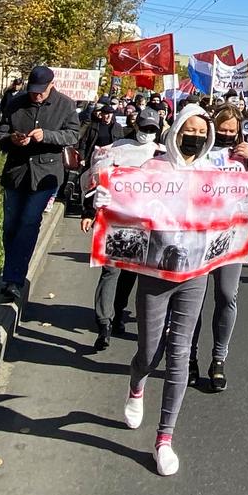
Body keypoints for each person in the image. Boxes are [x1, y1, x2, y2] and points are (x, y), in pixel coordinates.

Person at [122, 103, 221, 476]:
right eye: (188, 129)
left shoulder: (213, 173)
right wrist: (103, 200)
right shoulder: (153, 167)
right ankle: (136, 386)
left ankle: (165, 438)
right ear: (176, 130)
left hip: (195, 273)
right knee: (150, 351)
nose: (195, 136)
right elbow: (127, 204)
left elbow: (231, 210)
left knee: (180, 354)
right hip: (155, 271)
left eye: (201, 130)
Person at [0, 66, 83, 301]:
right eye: (33, 91)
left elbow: (73, 135)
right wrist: (11, 139)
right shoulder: (16, 102)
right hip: (17, 172)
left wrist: (48, 135)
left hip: (45, 175)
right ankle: (11, 267)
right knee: (10, 225)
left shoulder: (65, 105)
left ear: (51, 85)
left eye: (41, 91)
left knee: (28, 223)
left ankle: (13, 279)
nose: (37, 95)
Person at [194, 105, 248, 393]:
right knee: (193, 301)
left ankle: (218, 359)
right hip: (198, 236)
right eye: (222, 129)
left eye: (231, 130)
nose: (227, 134)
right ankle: (189, 357)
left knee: (226, 295)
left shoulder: (246, 154)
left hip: (232, 236)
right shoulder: (199, 151)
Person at [80, 107, 165, 348]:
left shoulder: (161, 156)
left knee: (129, 272)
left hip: (143, 224)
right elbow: (95, 180)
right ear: (136, 125)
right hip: (114, 221)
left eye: (152, 129)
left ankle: (118, 311)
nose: (147, 132)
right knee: (111, 271)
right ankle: (103, 322)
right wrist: (89, 211)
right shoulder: (115, 149)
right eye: (144, 127)